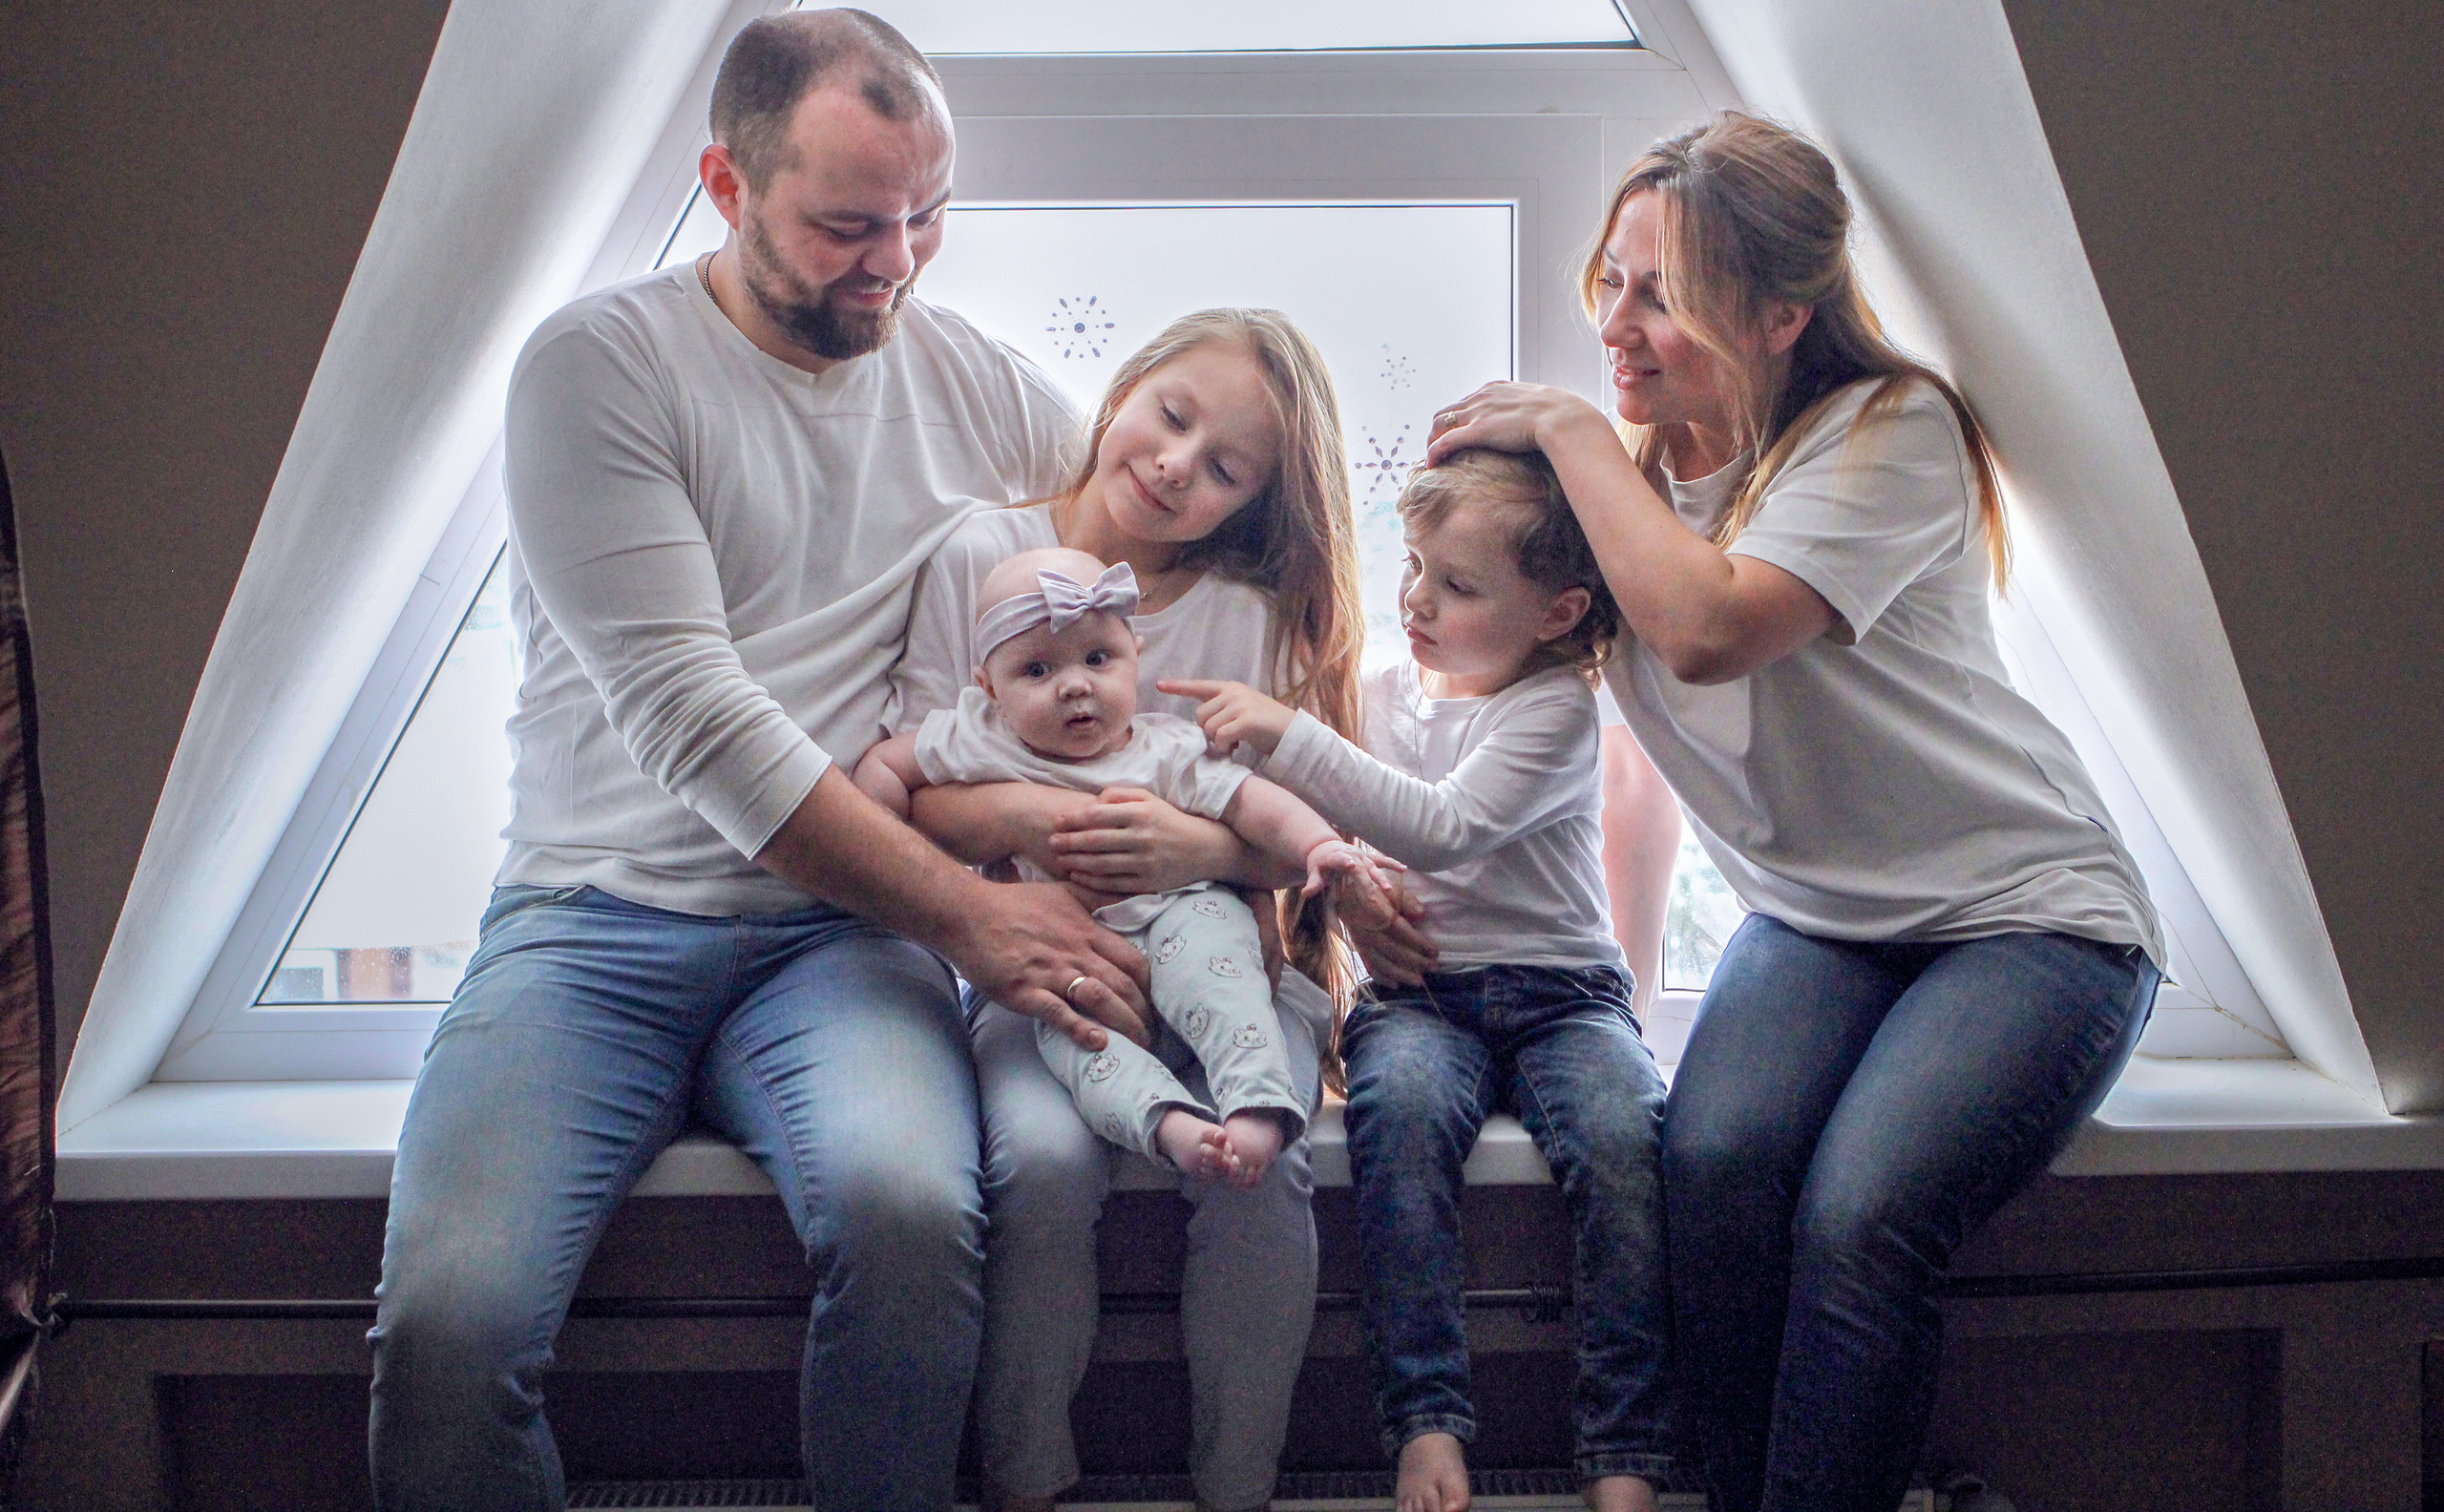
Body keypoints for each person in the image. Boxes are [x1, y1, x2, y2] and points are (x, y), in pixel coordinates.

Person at [367, 10, 1145, 1512]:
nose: (898, 264)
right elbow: (694, 718)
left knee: (915, 1217)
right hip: (590, 924)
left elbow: (1161, 564)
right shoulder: (599, 368)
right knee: (450, 1325)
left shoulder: (970, 379)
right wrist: (974, 912)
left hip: (838, 946)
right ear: (726, 187)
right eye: (849, 225)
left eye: (927, 217)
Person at [1426, 110, 2165, 1512]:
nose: (1620, 324)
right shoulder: (1628, 496)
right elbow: (1631, 762)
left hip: (2028, 917)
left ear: (1779, 314)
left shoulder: (1889, 432)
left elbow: (1707, 633)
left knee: (1864, 1212)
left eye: (1665, 293)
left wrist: (1574, 428)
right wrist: (1614, 990)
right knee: (1703, 1171)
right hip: (1822, 920)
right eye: (1613, 282)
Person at [882, 307, 1376, 1512]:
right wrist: (1031, 825)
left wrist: (1188, 842)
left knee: (1267, 1165)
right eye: (1172, 417)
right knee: (1042, 1172)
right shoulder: (975, 559)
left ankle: (1237, 1478)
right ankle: (1026, 1472)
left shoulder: (1242, 616)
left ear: (1249, 506)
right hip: (1039, 968)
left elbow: (1274, 847)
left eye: (1224, 469)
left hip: (1218, 958)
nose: (1174, 466)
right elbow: (913, 802)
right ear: (1123, 392)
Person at [1170, 447, 1672, 1512]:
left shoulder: (1555, 710)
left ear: (1557, 610)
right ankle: (1427, 1422)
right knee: (1391, 1133)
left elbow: (1442, 829)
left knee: (1627, 1146)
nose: (1417, 598)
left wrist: (1289, 731)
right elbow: (1322, 826)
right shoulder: (1385, 690)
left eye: (1458, 584)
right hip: (1419, 1000)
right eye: (1412, 567)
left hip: (1562, 996)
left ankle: (1623, 1447)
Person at [857, 548, 1394, 1181]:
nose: (1076, 684)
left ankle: (1255, 1100)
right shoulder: (979, 737)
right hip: (1069, 951)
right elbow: (888, 766)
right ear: (990, 689)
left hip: (1183, 912)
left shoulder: (1166, 746)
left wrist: (1318, 845)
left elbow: (1257, 804)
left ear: (1134, 655)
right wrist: (887, 839)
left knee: (1217, 975)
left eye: (1096, 658)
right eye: (1037, 669)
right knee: (1075, 1041)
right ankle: (1168, 1125)